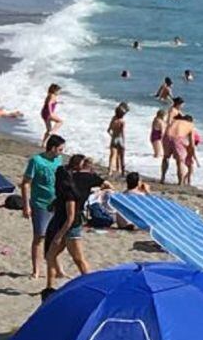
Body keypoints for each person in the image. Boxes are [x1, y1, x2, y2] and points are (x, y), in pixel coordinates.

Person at [44, 154, 102, 294]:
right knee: (50, 256)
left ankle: (90, 284)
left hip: (71, 227)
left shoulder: (70, 194)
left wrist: (59, 235)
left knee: (78, 259)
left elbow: (70, 217)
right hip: (64, 225)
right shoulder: (64, 192)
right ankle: (49, 288)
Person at [21, 135, 65, 279]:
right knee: (39, 237)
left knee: (56, 238)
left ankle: (58, 269)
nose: (62, 152)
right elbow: (26, 182)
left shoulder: (59, 160)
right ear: (52, 148)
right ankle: (36, 270)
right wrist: (26, 205)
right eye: (60, 149)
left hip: (56, 202)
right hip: (40, 203)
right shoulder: (36, 161)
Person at [160, 113, 195, 185]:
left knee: (166, 157)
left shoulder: (175, 121)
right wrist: (192, 153)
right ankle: (180, 181)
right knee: (180, 161)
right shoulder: (190, 125)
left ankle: (162, 177)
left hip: (167, 136)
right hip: (178, 138)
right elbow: (192, 143)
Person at [107, 102, 128, 177]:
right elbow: (122, 133)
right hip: (120, 139)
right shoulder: (122, 121)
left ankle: (110, 170)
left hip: (114, 138)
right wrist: (124, 141)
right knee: (122, 156)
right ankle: (122, 171)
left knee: (112, 155)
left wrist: (112, 135)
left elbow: (108, 130)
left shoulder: (113, 119)